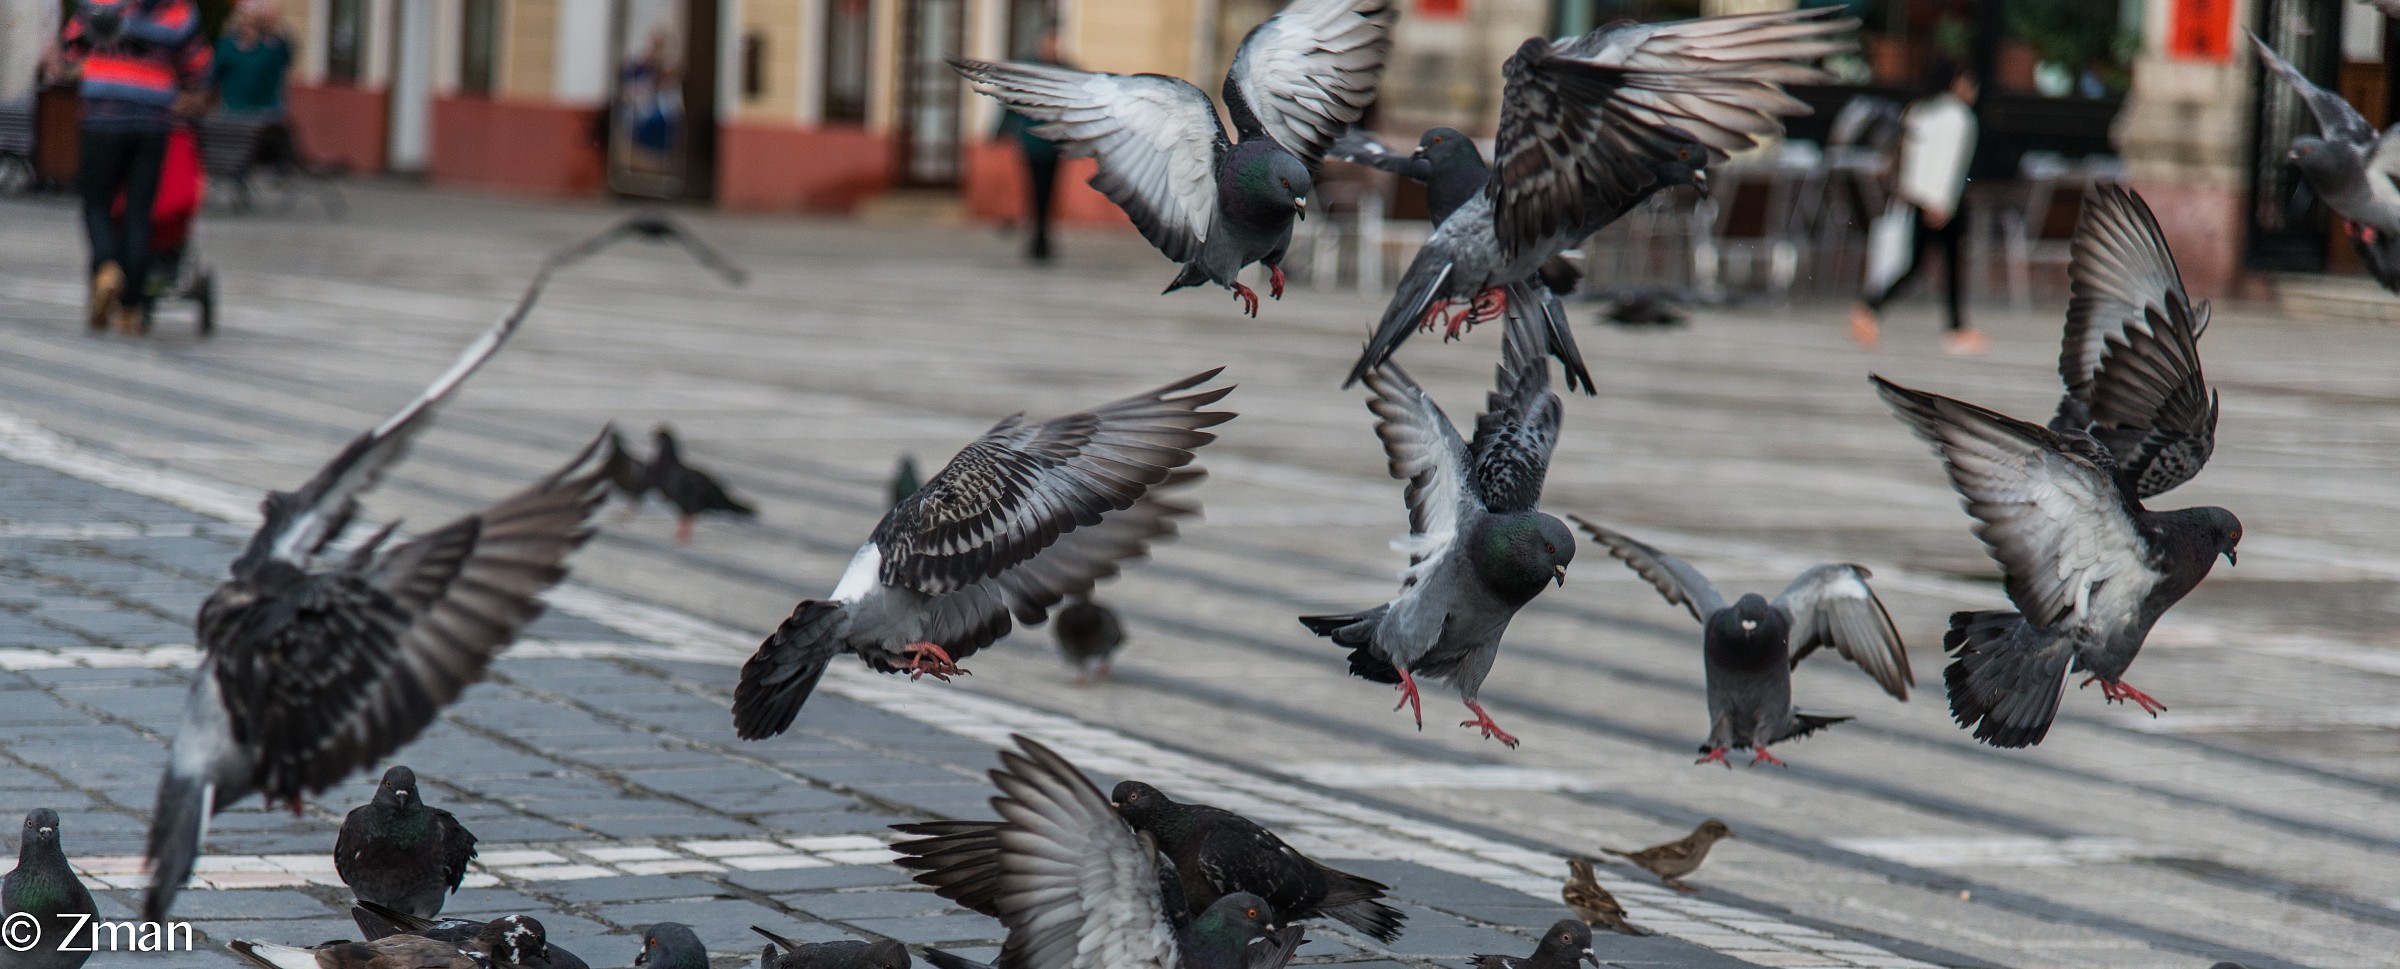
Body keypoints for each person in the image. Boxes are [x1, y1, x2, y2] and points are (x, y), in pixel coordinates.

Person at [53, 0, 211, 335]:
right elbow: (197, 66)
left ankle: (107, 267)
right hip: (152, 120)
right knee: (139, 213)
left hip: (102, 116)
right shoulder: (178, 11)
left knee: (97, 205)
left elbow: (70, 48)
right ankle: (131, 308)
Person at [1850, 57, 1983, 354]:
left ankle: (1874, 310)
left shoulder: (1919, 111)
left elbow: (1910, 160)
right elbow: (1951, 164)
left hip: (1919, 198)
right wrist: (1941, 202)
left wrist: (1914, 193)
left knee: (1923, 264)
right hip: (1943, 202)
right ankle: (1874, 308)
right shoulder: (1959, 117)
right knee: (1935, 265)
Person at [997, 31, 1064, 262]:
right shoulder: (1028, 70)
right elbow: (1011, 103)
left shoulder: (1067, 71)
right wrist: (1002, 130)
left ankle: (1043, 236)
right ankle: (1038, 237)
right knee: (1034, 190)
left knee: (1049, 192)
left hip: (1055, 146)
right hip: (1032, 144)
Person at [212, 2, 291, 118]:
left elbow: (285, 59)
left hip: (265, 112)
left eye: (250, 18)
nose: (245, 21)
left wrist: (273, 26)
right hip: (232, 111)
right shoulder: (226, 45)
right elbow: (213, 75)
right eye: (242, 15)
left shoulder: (271, 47)